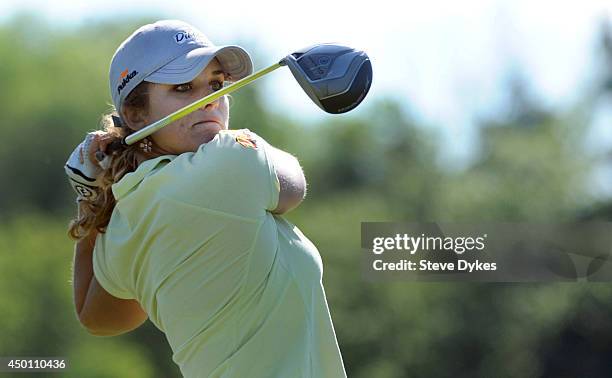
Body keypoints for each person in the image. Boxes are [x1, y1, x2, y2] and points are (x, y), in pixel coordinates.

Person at [65, 20, 347, 377]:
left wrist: (91, 195)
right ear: (137, 114)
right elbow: (293, 188)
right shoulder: (231, 159)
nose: (209, 102)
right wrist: (249, 145)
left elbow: (98, 317)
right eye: (184, 88)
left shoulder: (125, 215)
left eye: (215, 85)